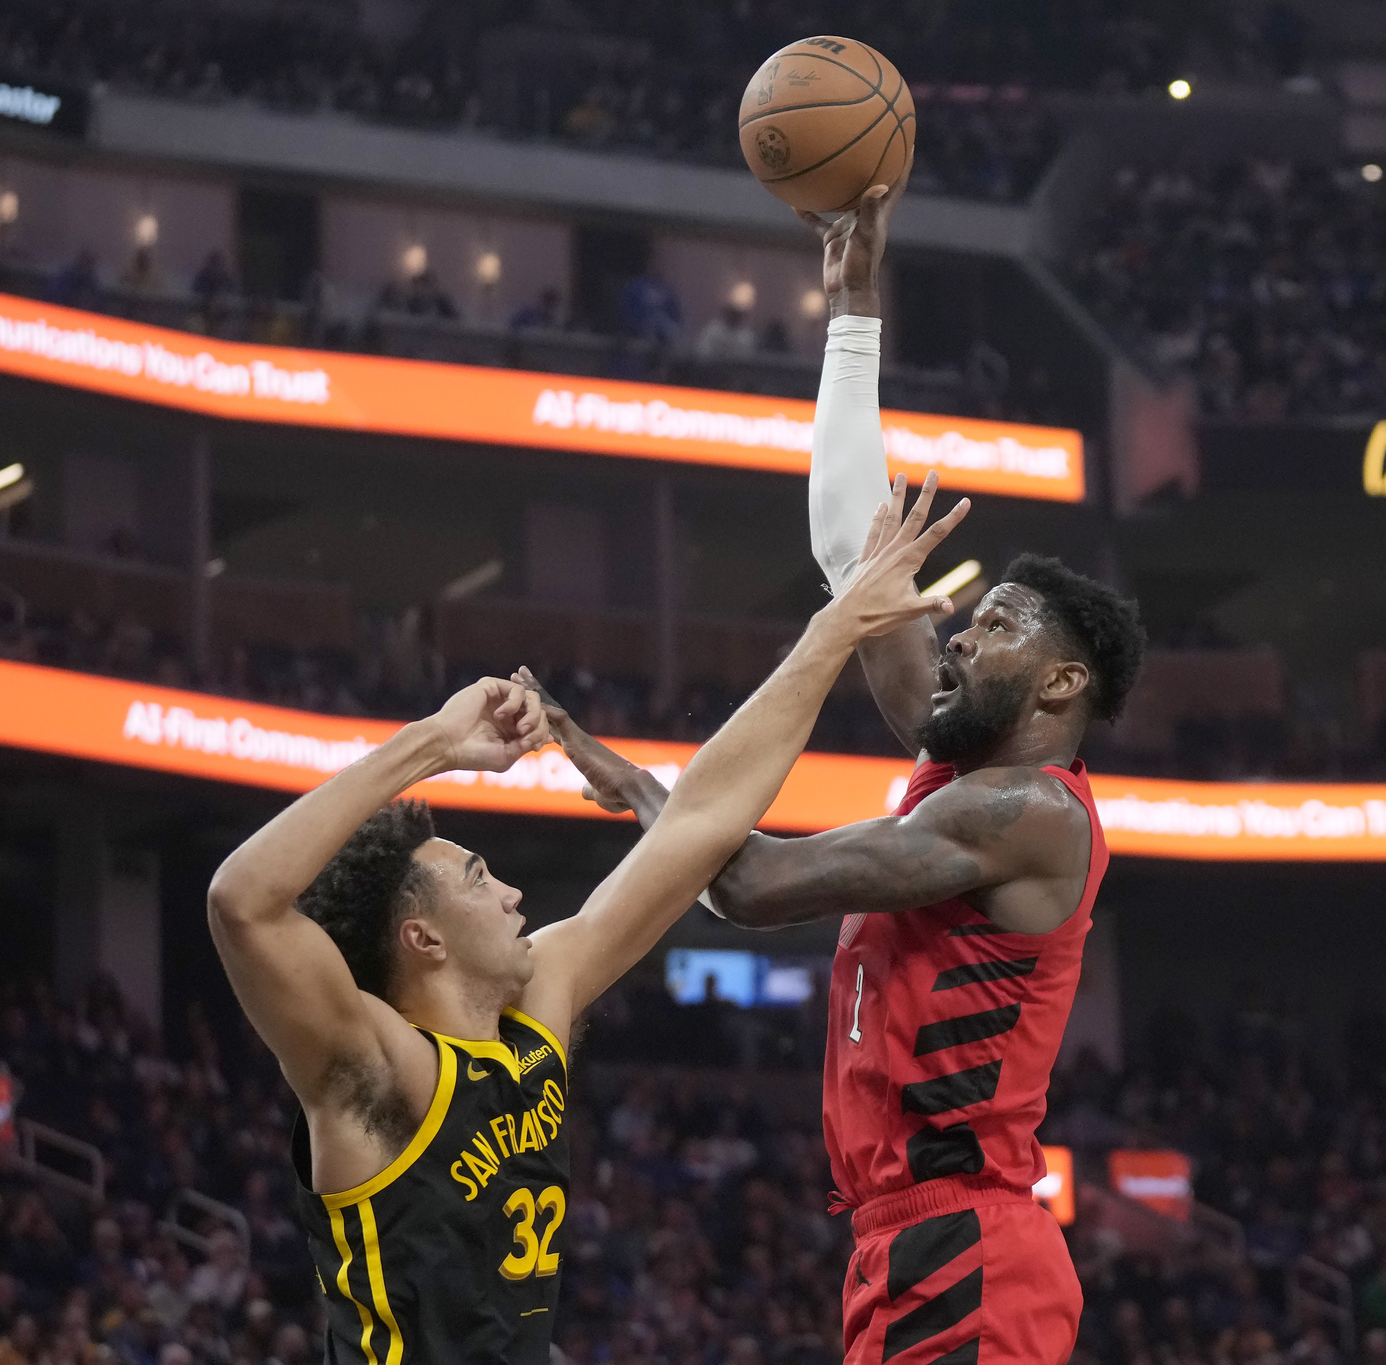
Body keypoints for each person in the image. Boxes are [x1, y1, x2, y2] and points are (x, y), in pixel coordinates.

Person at [551, 160, 1145, 1365]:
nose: (965, 627)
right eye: (971, 616)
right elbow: (848, 557)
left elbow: (750, 886)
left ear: (1062, 685)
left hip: (967, 1247)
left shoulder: (1025, 814)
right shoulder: (956, 771)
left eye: (999, 626)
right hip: (899, 1242)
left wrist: (632, 787)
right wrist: (854, 310)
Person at [205, 477, 968, 1365]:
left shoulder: (539, 1005)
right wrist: (435, 745)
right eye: (480, 878)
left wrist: (837, 628)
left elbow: (700, 821)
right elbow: (242, 901)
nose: (516, 897)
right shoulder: (377, 1072)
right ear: (422, 937)